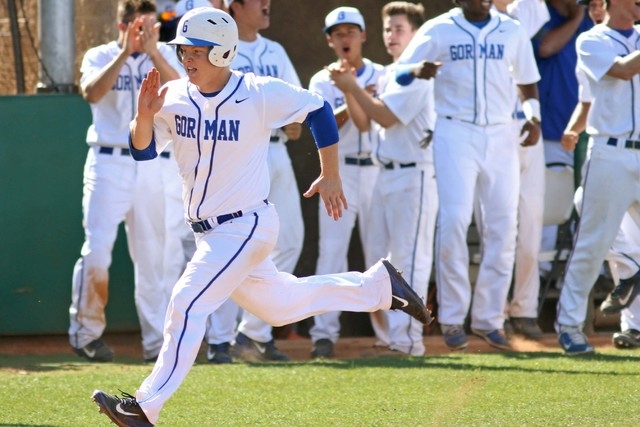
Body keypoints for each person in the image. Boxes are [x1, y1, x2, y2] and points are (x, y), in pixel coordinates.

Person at [91, 8, 432, 426]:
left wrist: (331, 172)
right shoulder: (176, 96)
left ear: (224, 52)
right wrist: (144, 117)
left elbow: (319, 109)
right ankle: (379, 287)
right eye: (184, 50)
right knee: (280, 307)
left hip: (246, 223)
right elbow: (143, 151)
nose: (187, 59)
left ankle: (145, 406)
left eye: (198, 50)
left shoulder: (256, 91)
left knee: (186, 300)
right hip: (210, 232)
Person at [396, 0, 541, 351]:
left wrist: (533, 117)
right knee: (455, 221)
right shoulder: (438, 28)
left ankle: (489, 320)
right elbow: (397, 74)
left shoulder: (511, 29)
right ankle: (451, 318)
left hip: (501, 132)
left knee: (505, 226)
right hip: (454, 131)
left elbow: (528, 83)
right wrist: (417, 70)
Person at [69, 0, 183, 363]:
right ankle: (86, 334)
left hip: (153, 162)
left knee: (155, 258)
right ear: (122, 26)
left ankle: (156, 345)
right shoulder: (101, 54)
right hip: (108, 161)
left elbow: (186, 93)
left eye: (150, 26)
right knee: (98, 248)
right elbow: (90, 92)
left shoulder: (166, 54)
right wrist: (125, 53)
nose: (145, 32)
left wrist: (153, 52)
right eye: (138, 26)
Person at [327, 2, 436, 357]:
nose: (392, 36)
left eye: (400, 29)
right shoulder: (393, 72)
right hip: (388, 174)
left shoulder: (419, 74)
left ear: (416, 33)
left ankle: (409, 343)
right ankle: (396, 339)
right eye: (388, 29)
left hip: (415, 173)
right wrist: (350, 89)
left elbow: (386, 118)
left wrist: (352, 87)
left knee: (411, 263)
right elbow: (364, 122)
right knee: (391, 262)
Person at [202, 0, 306, 364]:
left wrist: (293, 121)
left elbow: (296, 111)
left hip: (275, 151)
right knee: (230, 247)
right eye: (258, 0)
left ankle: (254, 334)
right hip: (236, 155)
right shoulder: (217, 48)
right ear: (234, 6)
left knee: (290, 239)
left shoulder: (274, 50)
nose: (267, 5)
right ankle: (219, 340)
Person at [556, 0, 640, 354]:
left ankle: (634, 325)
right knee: (591, 245)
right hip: (610, 152)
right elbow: (621, 70)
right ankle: (569, 326)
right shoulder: (592, 40)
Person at [306, 6, 385, 359]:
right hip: (342, 174)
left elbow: (377, 120)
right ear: (329, 41)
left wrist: (355, 90)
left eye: (351, 31)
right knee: (332, 254)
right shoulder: (322, 81)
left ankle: (392, 334)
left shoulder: (383, 74)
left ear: (363, 36)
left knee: (382, 254)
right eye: (338, 33)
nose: (346, 38)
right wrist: (350, 93)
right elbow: (320, 127)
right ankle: (323, 334)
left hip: (381, 169)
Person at [491, 0, 549, 340]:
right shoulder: (467, 20)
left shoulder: (522, 12)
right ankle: (492, 315)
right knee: (496, 229)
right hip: (493, 132)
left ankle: (524, 310)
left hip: (529, 128)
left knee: (531, 226)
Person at [532, 0, 592, 279]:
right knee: (547, 209)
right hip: (549, 135)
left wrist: (584, 16)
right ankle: (542, 273)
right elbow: (546, 46)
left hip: (587, 137)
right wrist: (577, 15)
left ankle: (590, 274)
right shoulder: (541, 15)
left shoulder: (594, 23)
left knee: (588, 207)